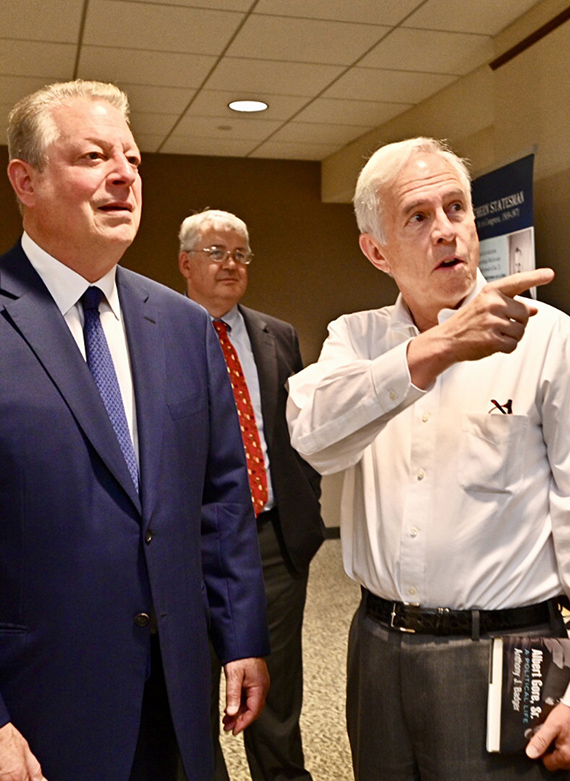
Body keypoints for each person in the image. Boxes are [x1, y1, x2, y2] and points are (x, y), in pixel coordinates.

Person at [0, 80, 269, 781]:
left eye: (134, 160)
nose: (124, 176)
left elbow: (220, 499)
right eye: (93, 156)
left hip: (172, 706)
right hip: (23, 716)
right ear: (26, 179)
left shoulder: (183, 327)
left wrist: (240, 636)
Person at [286, 137, 570, 779]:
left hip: (504, 652)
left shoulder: (549, 338)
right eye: (418, 217)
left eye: (457, 209)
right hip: (377, 647)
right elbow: (313, 434)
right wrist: (438, 347)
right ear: (377, 250)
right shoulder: (356, 339)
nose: (446, 231)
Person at [177, 209, 325, 781]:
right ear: (185, 262)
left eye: (240, 254)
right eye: (215, 252)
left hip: (271, 540)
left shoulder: (277, 335)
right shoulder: (153, 333)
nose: (230, 265)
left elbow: (302, 433)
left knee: (277, 691)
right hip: (189, 545)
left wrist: (302, 502)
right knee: (190, 691)